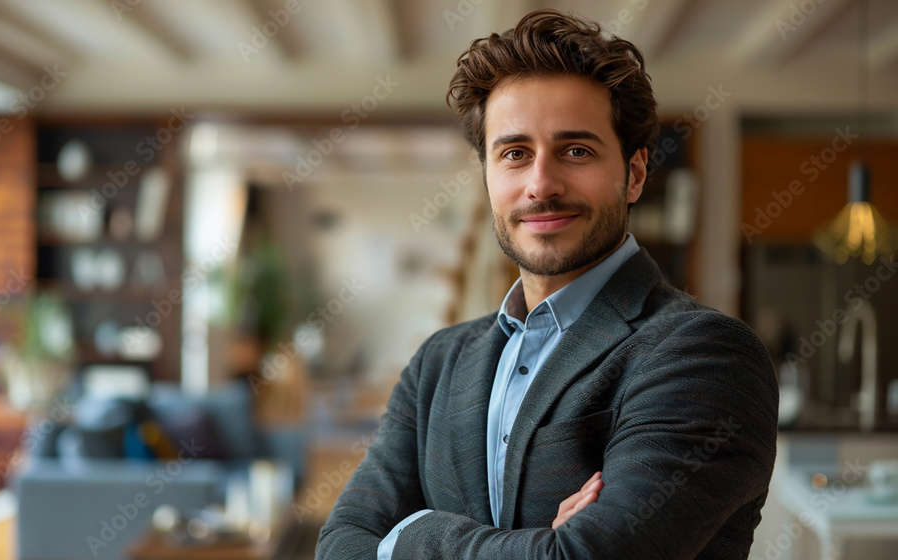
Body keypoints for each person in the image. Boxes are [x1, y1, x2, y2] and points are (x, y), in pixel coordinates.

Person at [315, 9, 778, 560]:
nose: (541, 184)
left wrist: (411, 534)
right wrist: (538, 545)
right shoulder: (437, 364)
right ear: (487, 175)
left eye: (575, 151)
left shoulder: (703, 354)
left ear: (633, 174)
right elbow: (340, 546)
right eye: (514, 153)